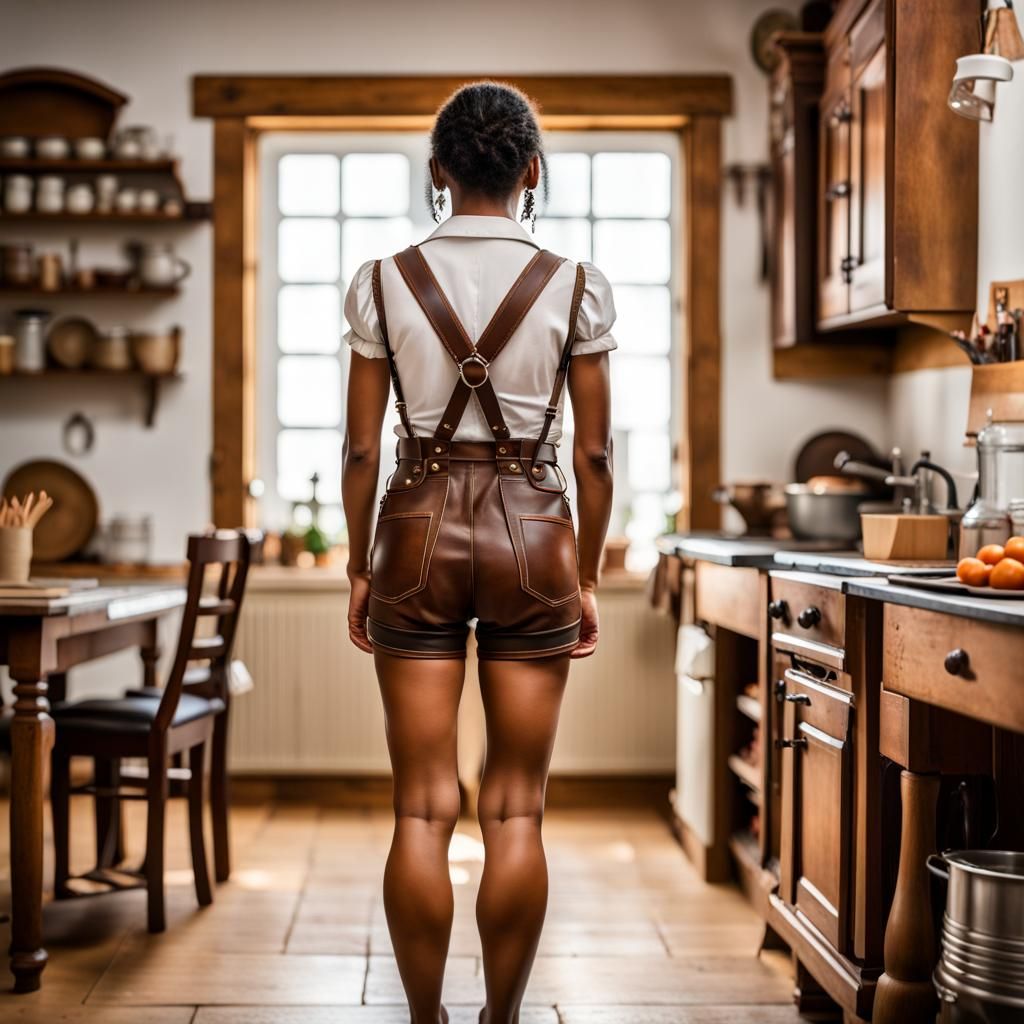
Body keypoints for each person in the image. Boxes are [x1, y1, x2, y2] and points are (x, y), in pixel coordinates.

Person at [341, 80, 615, 1024]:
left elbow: (361, 450)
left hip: (412, 532)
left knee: (421, 807)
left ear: (439, 173)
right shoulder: (576, 284)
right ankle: (502, 1020)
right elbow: (594, 453)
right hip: (534, 537)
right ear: (531, 170)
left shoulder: (382, 279)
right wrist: (585, 576)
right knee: (517, 809)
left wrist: (358, 566)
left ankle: (425, 1020)